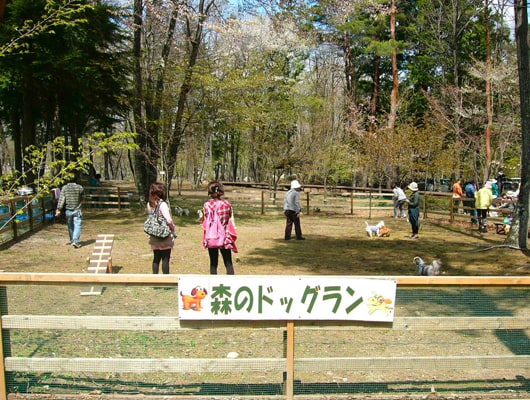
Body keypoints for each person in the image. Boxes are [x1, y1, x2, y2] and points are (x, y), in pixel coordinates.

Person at [202, 181, 237, 275]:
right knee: (228, 263)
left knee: (213, 263)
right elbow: (229, 218)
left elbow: (205, 220)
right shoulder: (226, 204)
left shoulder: (206, 205)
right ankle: (231, 285)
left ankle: (213, 285)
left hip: (211, 237)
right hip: (224, 237)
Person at [147, 182, 176, 274]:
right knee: (165, 259)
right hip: (164, 235)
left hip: (154, 235)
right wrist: (173, 228)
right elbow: (169, 220)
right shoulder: (162, 204)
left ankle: (156, 280)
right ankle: (166, 282)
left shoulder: (150, 204)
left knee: (156, 258)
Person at [55, 177, 84, 248]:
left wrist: (59, 209)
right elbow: (83, 198)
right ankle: (75, 241)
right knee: (77, 225)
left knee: (70, 226)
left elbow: (62, 199)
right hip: (77, 209)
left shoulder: (64, 188)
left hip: (68, 210)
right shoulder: (80, 187)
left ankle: (72, 240)